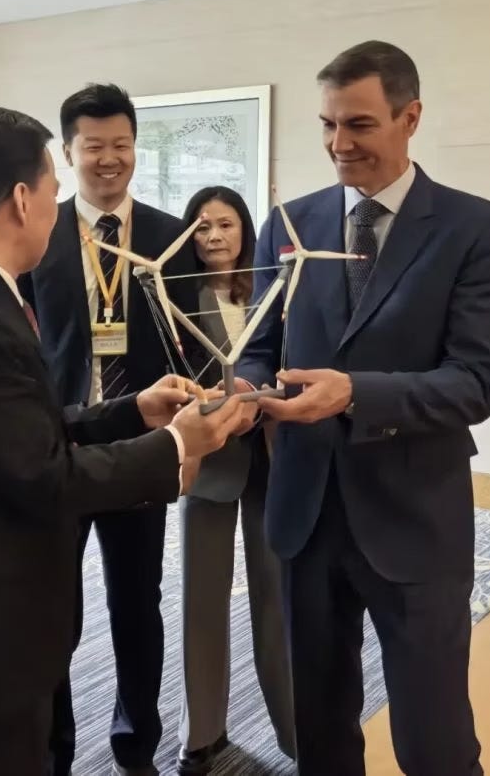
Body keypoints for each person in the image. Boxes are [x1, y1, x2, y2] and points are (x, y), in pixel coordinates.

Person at [0, 105, 243, 776]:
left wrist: (133, 410)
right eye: (53, 186)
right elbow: (43, 473)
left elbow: (19, 429)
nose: (57, 205)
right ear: (23, 199)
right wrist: (174, 448)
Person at [235, 41, 490, 775]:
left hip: (414, 517)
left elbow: (476, 382)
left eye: (358, 124)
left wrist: (356, 393)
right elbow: (259, 347)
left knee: (435, 738)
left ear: (410, 117)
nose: (339, 144)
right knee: (320, 730)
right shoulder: (288, 224)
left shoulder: (476, 229)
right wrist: (242, 389)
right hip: (304, 512)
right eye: (327, 124)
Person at [18, 83, 198, 776]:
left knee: (137, 602)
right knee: (50, 606)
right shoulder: (39, 234)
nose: (109, 158)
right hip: (58, 442)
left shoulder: (169, 235)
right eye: (94, 146)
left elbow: (188, 342)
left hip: (141, 445)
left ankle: (135, 744)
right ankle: (54, 751)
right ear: (68, 153)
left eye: (121, 144)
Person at [176, 187, 295, 775]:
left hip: (272, 459)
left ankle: (296, 732)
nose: (214, 236)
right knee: (202, 600)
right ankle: (201, 733)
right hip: (209, 462)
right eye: (201, 227)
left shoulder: (276, 290)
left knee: (277, 598)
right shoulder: (175, 297)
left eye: (225, 224)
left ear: (246, 230)